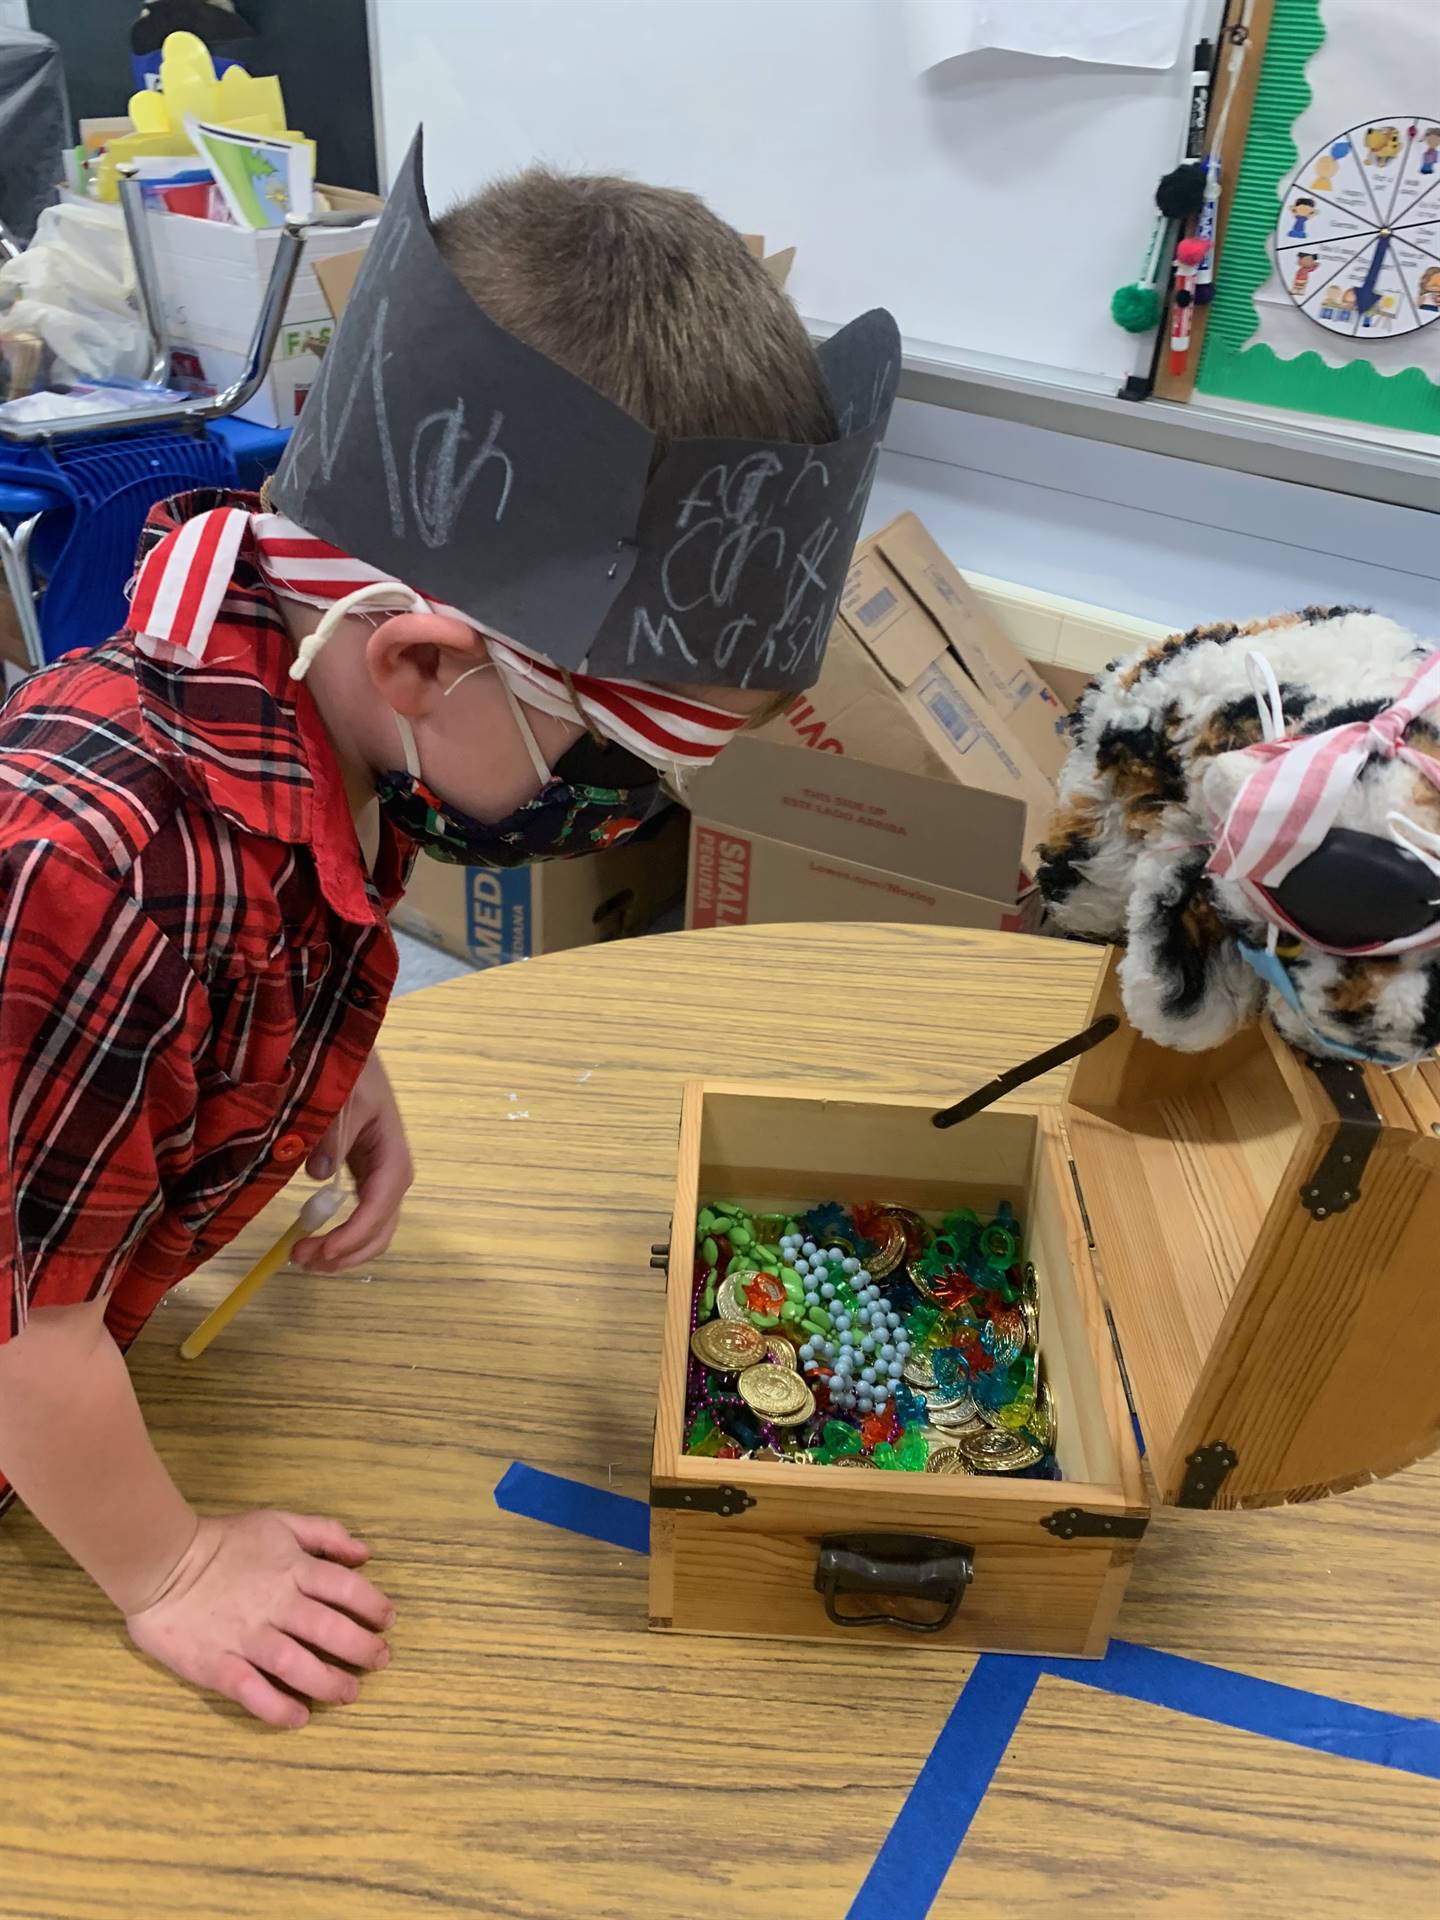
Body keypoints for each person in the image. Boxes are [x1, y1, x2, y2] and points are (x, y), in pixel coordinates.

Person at [0, 140, 894, 1730]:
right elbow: (16, 1323)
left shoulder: (314, 701)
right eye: (612, 755)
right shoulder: (90, 865)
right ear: (422, 660)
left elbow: (275, 929)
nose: (619, 807)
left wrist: (317, 1075)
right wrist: (173, 1569)